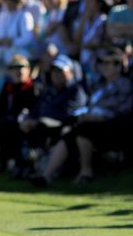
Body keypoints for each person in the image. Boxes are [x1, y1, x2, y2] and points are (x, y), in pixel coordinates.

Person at [33, 47, 132, 186]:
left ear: (119, 66)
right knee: (69, 135)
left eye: (109, 63)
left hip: (113, 124)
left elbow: (125, 108)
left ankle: (86, 172)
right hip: (93, 122)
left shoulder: (125, 84)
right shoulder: (100, 85)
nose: (104, 67)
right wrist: (85, 114)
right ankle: (46, 176)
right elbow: (90, 105)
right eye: (102, 63)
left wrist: (102, 117)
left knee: (83, 130)